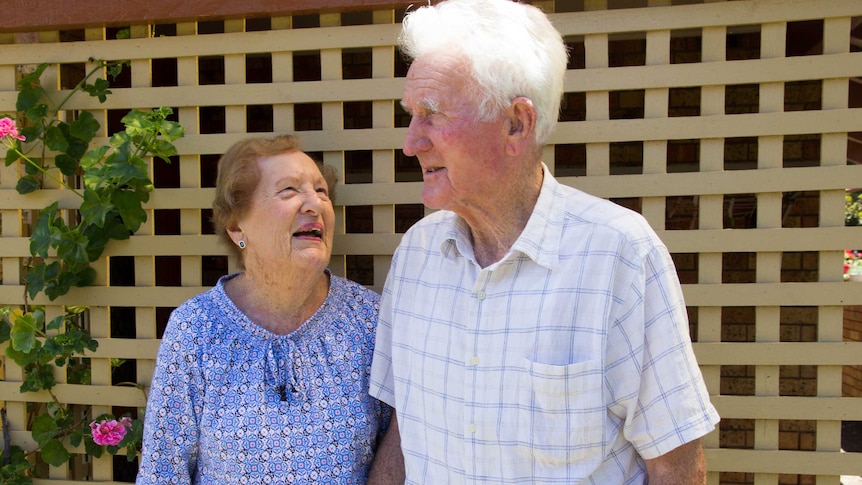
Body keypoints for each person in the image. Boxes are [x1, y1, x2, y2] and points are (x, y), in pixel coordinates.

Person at [367, 0, 721, 483]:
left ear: (516, 124)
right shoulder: (416, 255)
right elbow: (406, 434)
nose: (412, 142)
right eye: (412, 115)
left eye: (432, 114)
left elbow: (674, 463)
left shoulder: (618, 254)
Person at [137, 135, 392, 484]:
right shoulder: (195, 328)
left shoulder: (368, 320)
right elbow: (162, 471)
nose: (314, 204)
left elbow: (404, 445)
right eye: (289, 191)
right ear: (237, 226)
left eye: (321, 192)